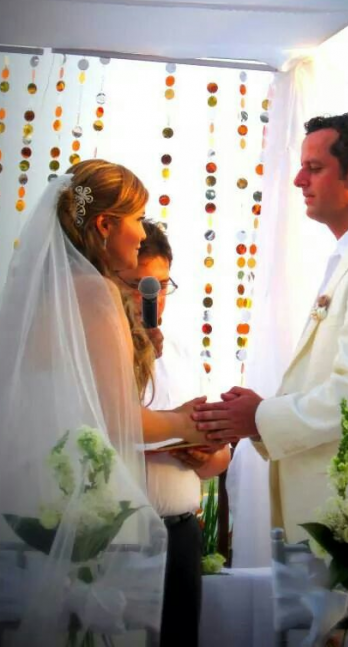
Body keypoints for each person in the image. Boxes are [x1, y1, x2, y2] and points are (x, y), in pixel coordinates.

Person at [0, 159, 206, 646]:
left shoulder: (47, 293)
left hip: (43, 505)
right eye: (136, 219)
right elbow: (117, 421)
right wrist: (190, 423)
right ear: (105, 225)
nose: (140, 233)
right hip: (83, 516)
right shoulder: (93, 291)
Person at [194, 113, 348, 544]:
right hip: (337, 513)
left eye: (314, 167)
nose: (299, 180)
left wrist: (260, 417)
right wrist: (258, 414)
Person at [118, 221, 230, 647]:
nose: (150, 298)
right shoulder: (92, 350)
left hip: (181, 534)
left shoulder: (182, 352)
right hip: (118, 538)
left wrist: (208, 455)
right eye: (138, 285)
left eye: (161, 285)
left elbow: (220, 457)